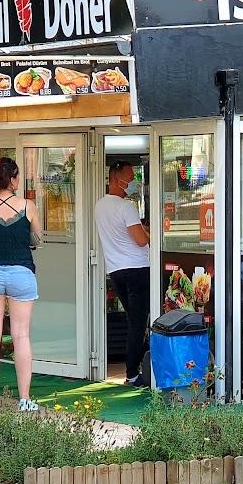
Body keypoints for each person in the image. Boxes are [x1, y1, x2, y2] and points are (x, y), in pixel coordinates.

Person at [0, 157, 42, 413]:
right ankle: (24, 399)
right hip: (21, 272)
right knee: (21, 335)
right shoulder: (27, 205)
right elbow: (37, 237)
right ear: (13, 179)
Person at [94, 160, 150, 387]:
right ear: (118, 179)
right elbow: (141, 240)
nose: (135, 181)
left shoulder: (99, 206)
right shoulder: (125, 206)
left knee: (134, 321)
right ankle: (132, 374)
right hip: (137, 270)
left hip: (116, 272)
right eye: (131, 176)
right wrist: (148, 230)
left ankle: (139, 365)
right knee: (138, 323)